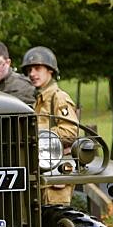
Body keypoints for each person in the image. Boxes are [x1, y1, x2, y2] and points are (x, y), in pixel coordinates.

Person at [21, 46, 79, 205]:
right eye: (29, 70)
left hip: (56, 170)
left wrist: (37, 133)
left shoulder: (58, 97)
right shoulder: (39, 100)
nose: (32, 74)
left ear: (50, 71)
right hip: (41, 168)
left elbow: (70, 132)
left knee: (57, 218)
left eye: (37, 68)